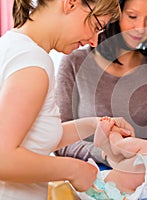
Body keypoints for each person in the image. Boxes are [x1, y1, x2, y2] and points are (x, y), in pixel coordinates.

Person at [0, 0, 135, 199]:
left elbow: (35, 139)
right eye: (96, 27)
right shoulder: (33, 64)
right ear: (70, 3)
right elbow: (4, 159)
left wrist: (94, 124)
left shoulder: (12, 45)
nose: (94, 41)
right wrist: (73, 170)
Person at [55, 0, 147, 166]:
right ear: (112, 14)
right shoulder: (74, 63)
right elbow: (60, 141)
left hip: (143, 171)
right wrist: (107, 154)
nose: (141, 28)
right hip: (90, 174)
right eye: (132, 16)